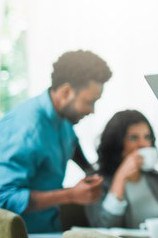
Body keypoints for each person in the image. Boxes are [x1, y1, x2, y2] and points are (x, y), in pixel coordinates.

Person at [0, 50, 112, 233]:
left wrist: (89, 169)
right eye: (89, 102)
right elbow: (3, 198)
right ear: (66, 91)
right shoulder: (27, 129)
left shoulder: (63, 119)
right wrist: (70, 195)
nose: (92, 111)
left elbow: (72, 143)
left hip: (49, 228)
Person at [85, 110, 158, 228]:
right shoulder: (96, 182)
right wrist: (120, 177)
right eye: (133, 138)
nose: (143, 144)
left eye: (147, 137)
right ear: (116, 143)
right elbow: (103, 228)